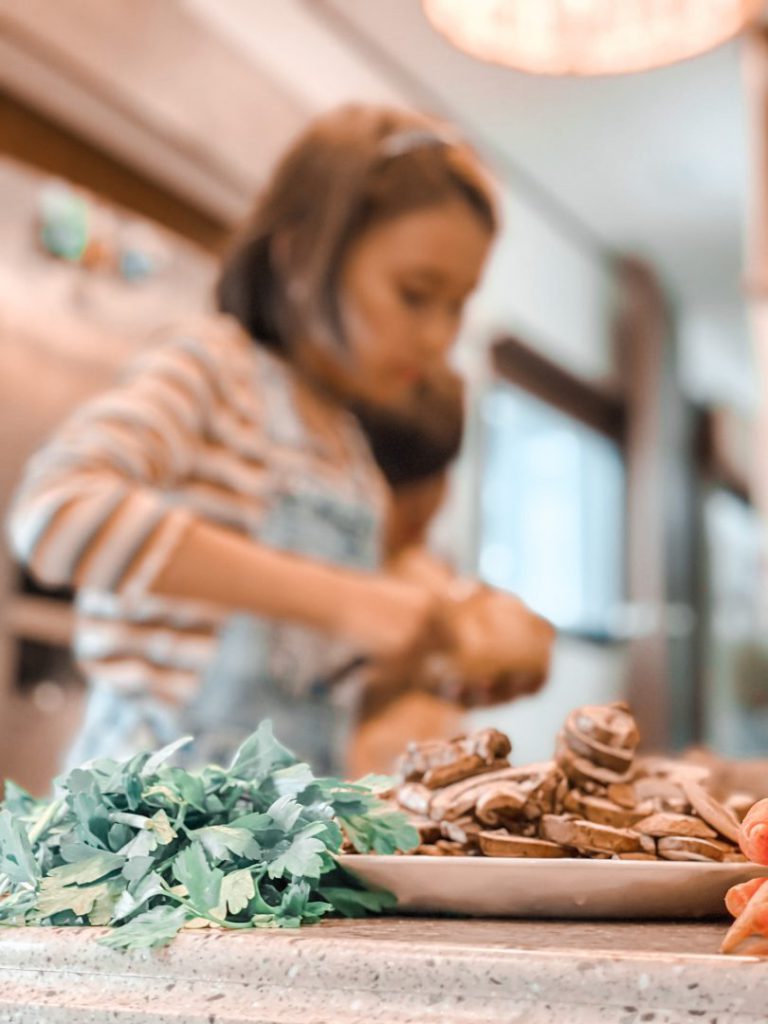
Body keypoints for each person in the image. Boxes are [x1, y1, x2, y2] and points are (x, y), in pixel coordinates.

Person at [6, 104, 546, 774]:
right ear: (298, 255)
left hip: (277, 845)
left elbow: (315, 694)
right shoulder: (211, 369)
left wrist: (422, 669)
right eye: (414, 293)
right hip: (142, 841)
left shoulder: (352, 462)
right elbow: (57, 512)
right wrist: (347, 599)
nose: (439, 338)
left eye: (457, 304)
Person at [348, 368, 554, 773]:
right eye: (399, 490)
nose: (423, 506)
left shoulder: (431, 577)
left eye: (436, 479)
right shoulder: (302, 577)